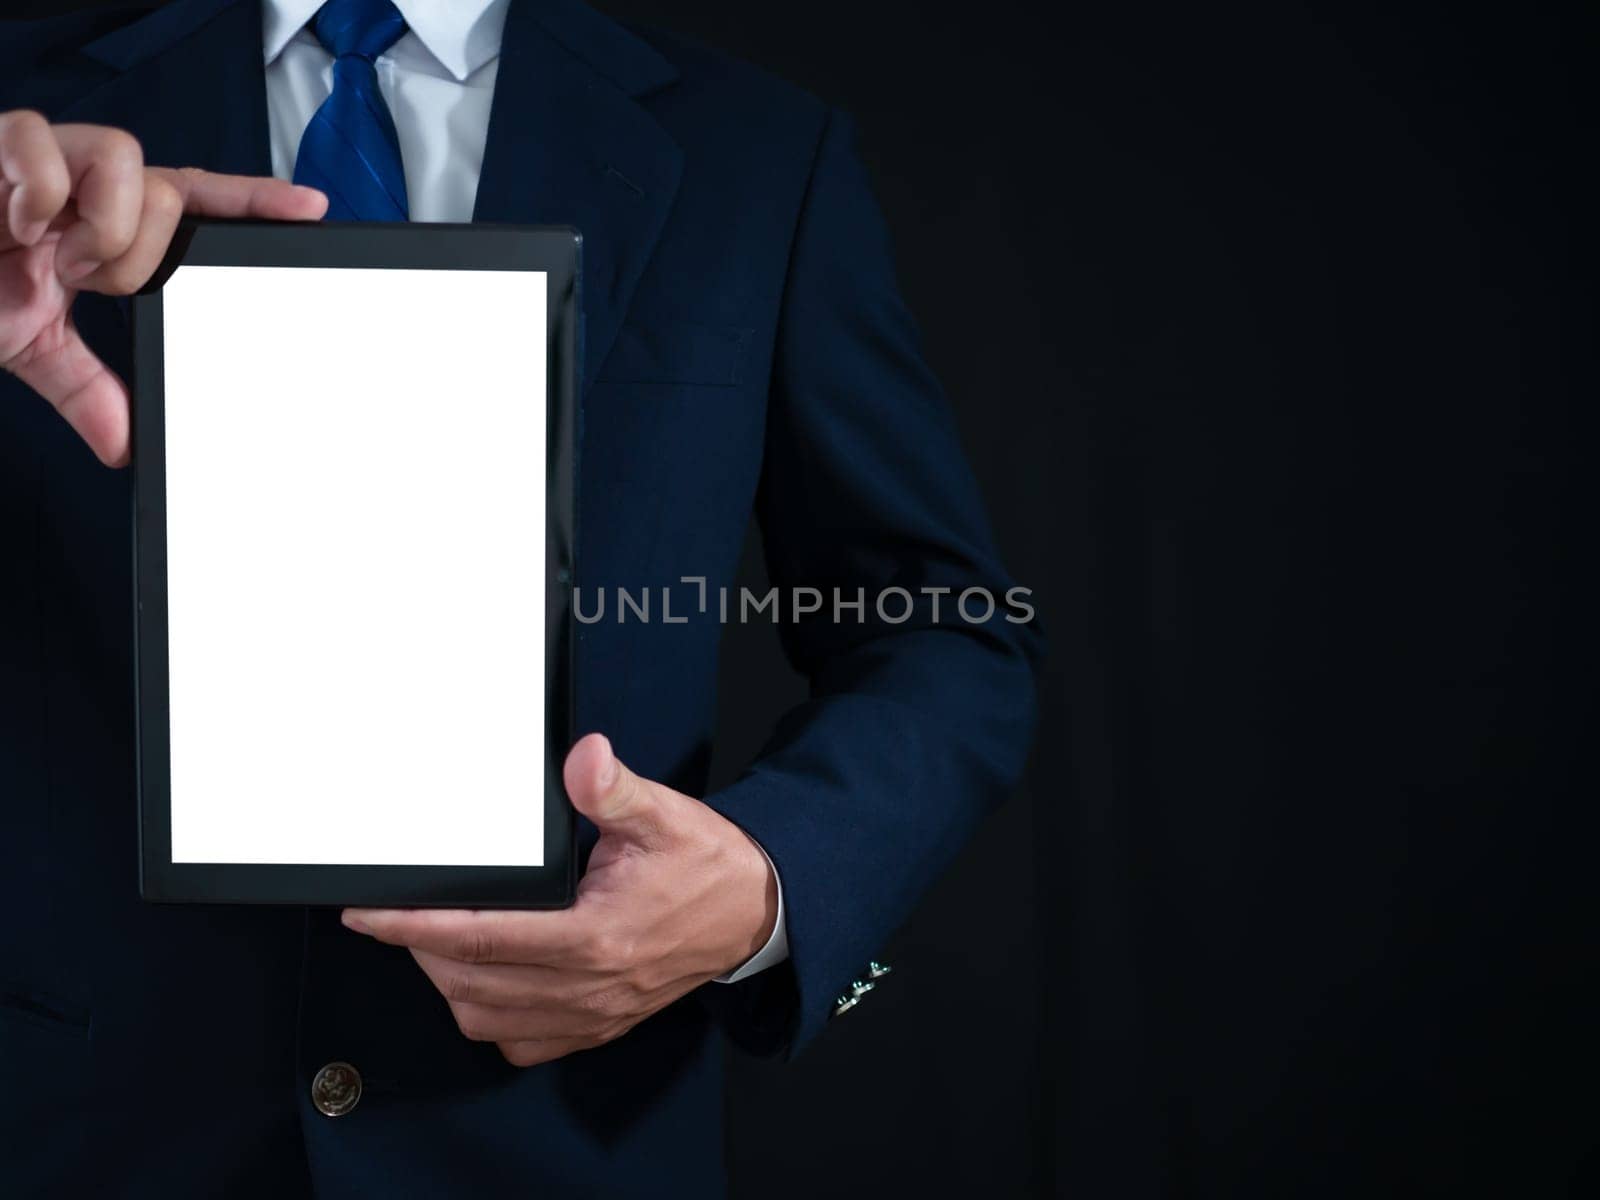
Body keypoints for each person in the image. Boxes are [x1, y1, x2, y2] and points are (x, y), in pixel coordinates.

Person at [0, 0, 1040, 1194]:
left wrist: (765, 880)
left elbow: (941, 629)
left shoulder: (758, 151)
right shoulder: (16, 122)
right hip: (70, 1132)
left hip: (560, 1144)